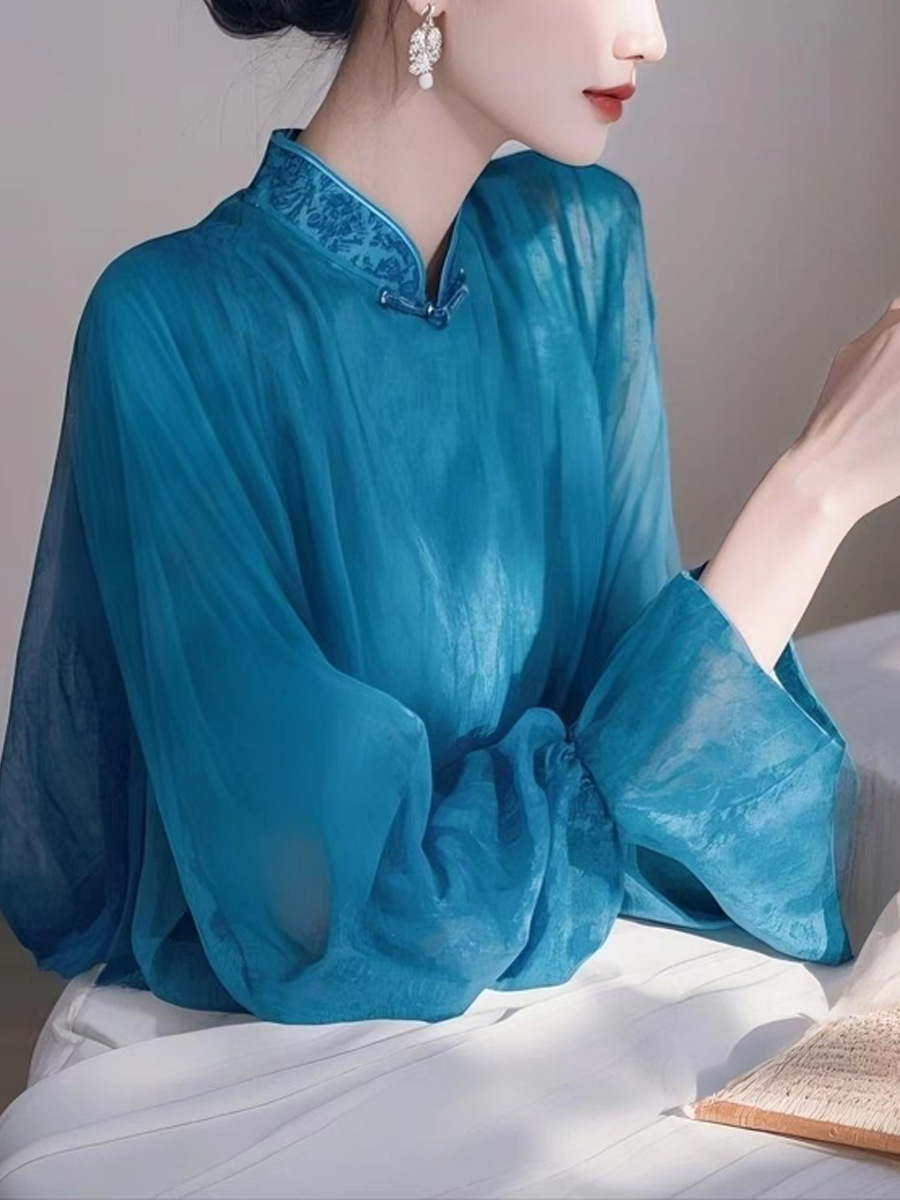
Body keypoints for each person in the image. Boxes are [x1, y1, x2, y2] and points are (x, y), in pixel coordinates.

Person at [0, 0, 898, 1027]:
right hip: (323, 1062)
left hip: (594, 1012)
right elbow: (327, 917)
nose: (650, 35)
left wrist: (816, 500)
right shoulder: (171, 328)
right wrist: (811, 493)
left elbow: (661, 776)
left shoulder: (579, 247)